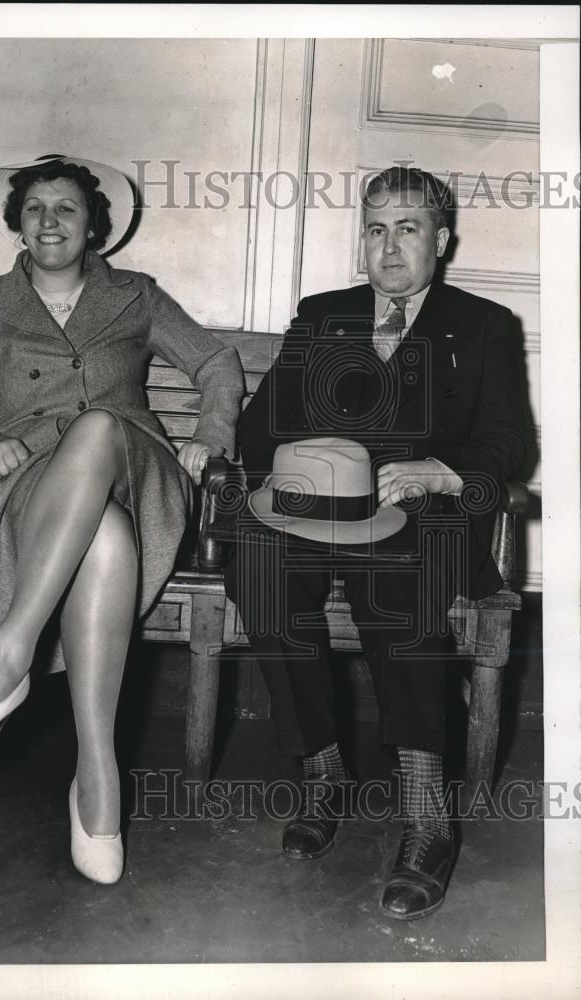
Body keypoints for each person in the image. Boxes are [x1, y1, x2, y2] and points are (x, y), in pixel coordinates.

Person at [0, 153, 245, 885]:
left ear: (94, 225)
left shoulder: (136, 297)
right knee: (105, 540)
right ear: (16, 224)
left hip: (137, 468)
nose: (50, 221)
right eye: (35, 209)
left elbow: (217, 363)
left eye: (66, 208)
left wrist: (208, 436)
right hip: (34, 485)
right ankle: (98, 780)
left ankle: (7, 657)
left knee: (96, 427)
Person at [225, 165, 525, 919]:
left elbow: (506, 445)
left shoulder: (485, 326)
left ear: (441, 240)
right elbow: (259, 428)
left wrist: (437, 472)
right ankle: (323, 772)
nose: (389, 247)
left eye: (408, 228)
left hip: (423, 517)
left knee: (400, 577)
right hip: (319, 510)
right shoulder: (322, 315)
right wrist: (291, 479)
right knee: (257, 567)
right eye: (374, 228)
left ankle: (427, 816)